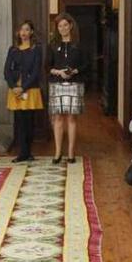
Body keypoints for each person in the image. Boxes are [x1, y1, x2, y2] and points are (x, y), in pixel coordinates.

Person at [46, 12, 87, 164]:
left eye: (65, 25)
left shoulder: (79, 45)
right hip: (56, 83)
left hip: (75, 83)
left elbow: (86, 65)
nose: (62, 28)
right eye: (59, 26)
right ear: (57, 28)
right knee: (57, 118)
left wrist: (74, 71)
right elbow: (47, 66)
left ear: (70, 26)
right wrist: (58, 72)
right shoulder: (52, 45)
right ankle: (57, 152)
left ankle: (70, 153)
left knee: (71, 118)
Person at [3, 20, 44, 163]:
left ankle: (28, 152)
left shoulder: (36, 49)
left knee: (29, 121)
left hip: (30, 89)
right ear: (18, 32)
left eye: (27, 30)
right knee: (19, 121)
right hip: (15, 90)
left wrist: (23, 87)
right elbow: (6, 70)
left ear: (31, 32)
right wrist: (13, 86)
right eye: (22, 30)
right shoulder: (13, 49)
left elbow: (36, 72)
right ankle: (22, 153)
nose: (24, 33)